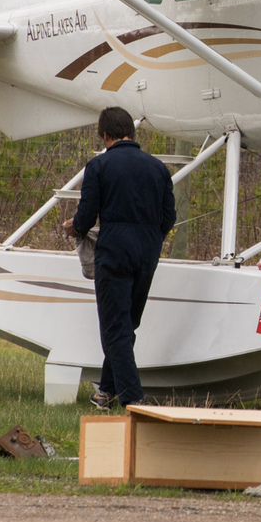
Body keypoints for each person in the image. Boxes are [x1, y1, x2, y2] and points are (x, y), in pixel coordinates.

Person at [63, 106, 174, 409]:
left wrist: (74, 228)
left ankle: (133, 399)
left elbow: (86, 216)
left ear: (105, 135)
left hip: (114, 250)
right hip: (148, 251)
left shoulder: (99, 166)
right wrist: (149, 238)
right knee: (126, 324)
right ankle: (105, 391)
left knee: (115, 327)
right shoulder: (158, 168)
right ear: (132, 133)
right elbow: (169, 217)